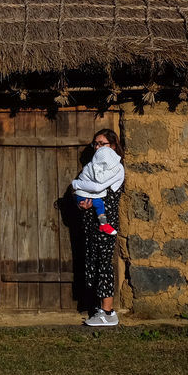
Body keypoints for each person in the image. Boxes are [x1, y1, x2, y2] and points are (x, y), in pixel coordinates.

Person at [72, 129, 124, 327]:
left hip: (105, 224)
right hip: (90, 224)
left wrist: (85, 192)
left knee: (104, 263)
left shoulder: (116, 169)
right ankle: (98, 308)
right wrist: (81, 203)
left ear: (112, 146)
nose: (98, 147)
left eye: (102, 143)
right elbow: (81, 191)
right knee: (93, 262)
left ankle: (108, 312)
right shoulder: (92, 167)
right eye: (96, 144)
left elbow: (97, 187)